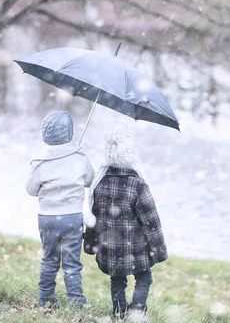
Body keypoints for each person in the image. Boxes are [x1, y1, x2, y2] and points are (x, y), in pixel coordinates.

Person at [83, 124, 168, 319]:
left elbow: (93, 218)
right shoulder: (137, 185)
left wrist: (90, 244)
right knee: (144, 277)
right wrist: (159, 249)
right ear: (131, 153)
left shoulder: (100, 182)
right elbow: (152, 221)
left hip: (110, 247)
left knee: (117, 280)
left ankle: (119, 313)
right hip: (135, 248)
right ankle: (136, 312)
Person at [26, 111, 94, 308]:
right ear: (70, 134)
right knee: (72, 263)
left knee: (49, 260)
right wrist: (79, 157)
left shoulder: (39, 161)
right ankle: (75, 303)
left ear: (45, 134)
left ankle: (45, 300)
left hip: (47, 218)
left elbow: (31, 190)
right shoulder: (79, 157)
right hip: (72, 217)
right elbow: (90, 180)